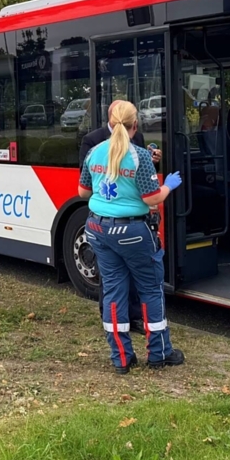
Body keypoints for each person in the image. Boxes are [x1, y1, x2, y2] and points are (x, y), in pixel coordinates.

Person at [79, 101, 185, 374]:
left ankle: (121, 358)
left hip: (98, 230)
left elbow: (83, 193)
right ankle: (159, 353)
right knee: (150, 288)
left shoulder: (93, 152)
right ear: (134, 126)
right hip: (133, 232)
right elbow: (152, 197)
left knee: (113, 290)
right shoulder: (140, 156)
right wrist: (169, 185)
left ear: (110, 124)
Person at [79, 99, 160, 333]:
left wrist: (153, 159)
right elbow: (87, 180)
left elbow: (144, 177)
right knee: (116, 277)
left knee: (126, 276)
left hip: (112, 223)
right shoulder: (92, 141)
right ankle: (114, 318)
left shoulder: (138, 141)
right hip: (120, 221)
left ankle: (126, 327)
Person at [79, 100, 162, 166]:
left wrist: (152, 161)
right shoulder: (92, 140)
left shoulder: (138, 137)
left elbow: (145, 173)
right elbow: (84, 173)